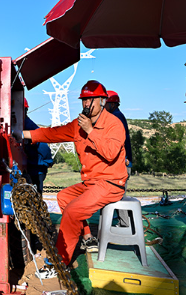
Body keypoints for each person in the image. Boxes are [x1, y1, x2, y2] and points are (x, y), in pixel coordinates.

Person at [23, 80, 128, 279]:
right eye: (84, 100)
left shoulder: (114, 124)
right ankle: (88, 238)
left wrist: (90, 131)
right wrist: (25, 134)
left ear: (102, 101)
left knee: (72, 211)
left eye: (90, 100)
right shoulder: (78, 125)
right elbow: (52, 133)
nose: (86, 104)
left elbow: (111, 153)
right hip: (91, 183)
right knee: (63, 197)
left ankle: (60, 263)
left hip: (110, 183)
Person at [105, 90, 133, 227]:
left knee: (119, 194)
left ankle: (125, 225)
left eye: (105, 104)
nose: (103, 107)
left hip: (122, 164)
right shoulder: (118, 116)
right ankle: (123, 223)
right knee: (118, 194)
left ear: (112, 104)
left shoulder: (116, 118)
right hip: (123, 162)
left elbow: (118, 141)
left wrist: (124, 158)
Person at [23, 98, 54, 194]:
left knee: (35, 197)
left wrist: (47, 161)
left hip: (36, 169)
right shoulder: (23, 124)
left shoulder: (30, 126)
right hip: (31, 167)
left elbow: (43, 146)